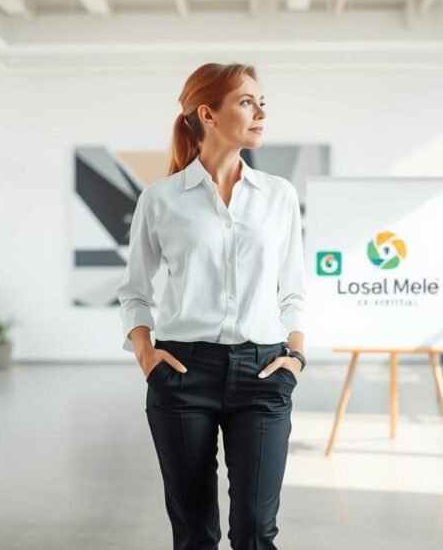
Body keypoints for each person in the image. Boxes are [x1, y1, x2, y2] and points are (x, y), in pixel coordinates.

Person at [117, 62, 308, 550]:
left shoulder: (279, 196)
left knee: (255, 532)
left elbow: (293, 291)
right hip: (183, 371)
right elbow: (136, 290)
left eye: (263, 102)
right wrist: (146, 356)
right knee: (195, 534)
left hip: (263, 371)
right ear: (208, 113)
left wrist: (295, 358)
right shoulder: (160, 200)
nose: (261, 112)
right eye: (248, 102)